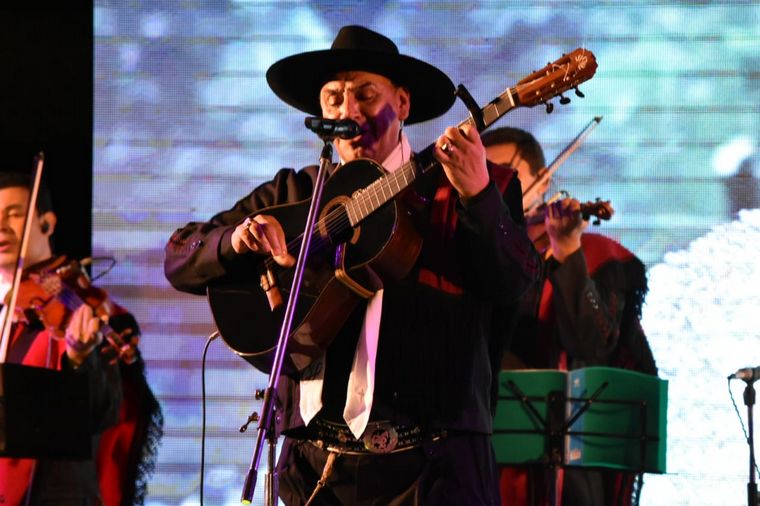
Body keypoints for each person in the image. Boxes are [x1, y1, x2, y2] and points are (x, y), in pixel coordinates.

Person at [164, 25, 539, 505]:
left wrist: (481, 197)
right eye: (334, 97)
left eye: (366, 94)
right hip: (315, 474)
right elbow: (180, 256)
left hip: (432, 473)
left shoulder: (460, 187)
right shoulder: (295, 194)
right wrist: (235, 242)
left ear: (402, 104)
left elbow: (515, 284)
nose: (349, 110)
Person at [480, 127, 658, 506]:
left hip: (557, 467)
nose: (492, 184)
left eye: (503, 174)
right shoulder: (458, 252)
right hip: (468, 459)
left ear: (541, 181)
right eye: (481, 171)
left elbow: (592, 343)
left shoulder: (586, 251)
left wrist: (567, 252)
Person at [0, 171, 162, 505]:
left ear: (47, 223)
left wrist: (77, 359)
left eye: (14, 214)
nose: (1, 226)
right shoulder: (11, 306)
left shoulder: (84, 308)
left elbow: (107, 410)